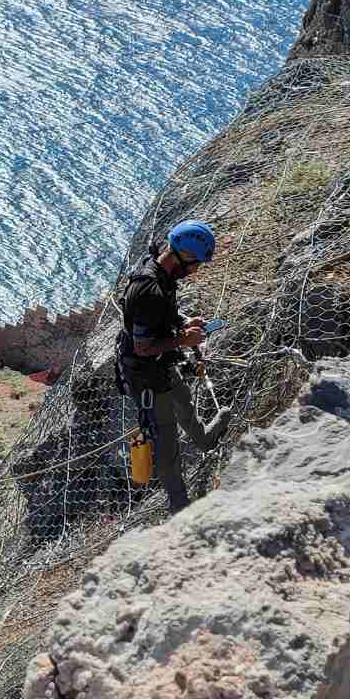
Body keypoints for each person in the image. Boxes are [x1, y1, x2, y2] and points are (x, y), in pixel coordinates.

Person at [115, 219, 231, 513]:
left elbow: (163, 315)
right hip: (146, 376)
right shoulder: (148, 291)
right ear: (184, 256)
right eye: (196, 264)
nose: (196, 271)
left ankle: (205, 438)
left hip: (161, 363)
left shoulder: (162, 272)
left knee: (184, 401)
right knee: (167, 443)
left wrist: (183, 323)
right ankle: (179, 506)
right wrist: (182, 339)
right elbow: (142, 347)